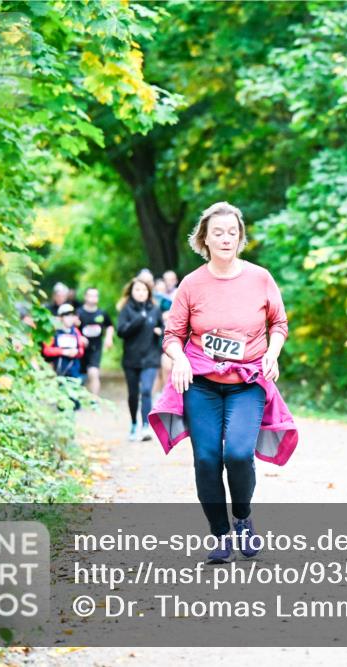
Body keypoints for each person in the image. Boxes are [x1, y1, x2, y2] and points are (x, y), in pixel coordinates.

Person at [159, 201, 290, 563]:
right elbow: (172, 334)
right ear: (205, 238)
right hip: (201, 383)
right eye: (218, 232)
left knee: (237, 453)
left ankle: (243, 517)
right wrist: (180, 358)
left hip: (247, 381)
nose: (226, 238)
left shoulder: (260, 277)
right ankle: (220, 534)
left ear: (240, 237)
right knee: (205, 458)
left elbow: (278, 324)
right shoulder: (191, 283)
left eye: (232, 232)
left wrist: (273, 352)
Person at [116, 278, 163, 441]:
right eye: (137, 290)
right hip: (131, 359)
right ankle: (134, 423)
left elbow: (164, 328)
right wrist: (139, 320)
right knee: (133, 394)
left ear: (148, 292)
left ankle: (145, 426)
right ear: (131, 292)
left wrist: (160, 331)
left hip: (150, 357)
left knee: (146, 391)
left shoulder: (155, 309)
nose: (141, 293)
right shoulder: (126, 310)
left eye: (144, 290)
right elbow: (121, 332)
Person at [41, 303, 87, 409]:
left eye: (72, 315)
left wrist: (76, 352)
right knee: (62, 401)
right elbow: (47, 350)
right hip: (60, 371)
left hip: (74, 369)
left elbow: (81, 349)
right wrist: (63, 352)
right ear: (60, 317)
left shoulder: (75, 331)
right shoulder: (53, 332)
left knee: (74, 401)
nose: (70, 319)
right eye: (67, 315)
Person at [76, 287, 114, 396]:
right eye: (90, 295)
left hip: (96, 348)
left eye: (95, 295)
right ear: (85, 297)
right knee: (80, 376)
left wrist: (108, 338)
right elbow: (71, 328)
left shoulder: (102, 313)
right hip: (80, 349)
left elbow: (110, 326)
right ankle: (78, 398)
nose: (93, 298)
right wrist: (80, 338)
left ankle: (94, 399)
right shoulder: (78, 312)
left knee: (94, 372)